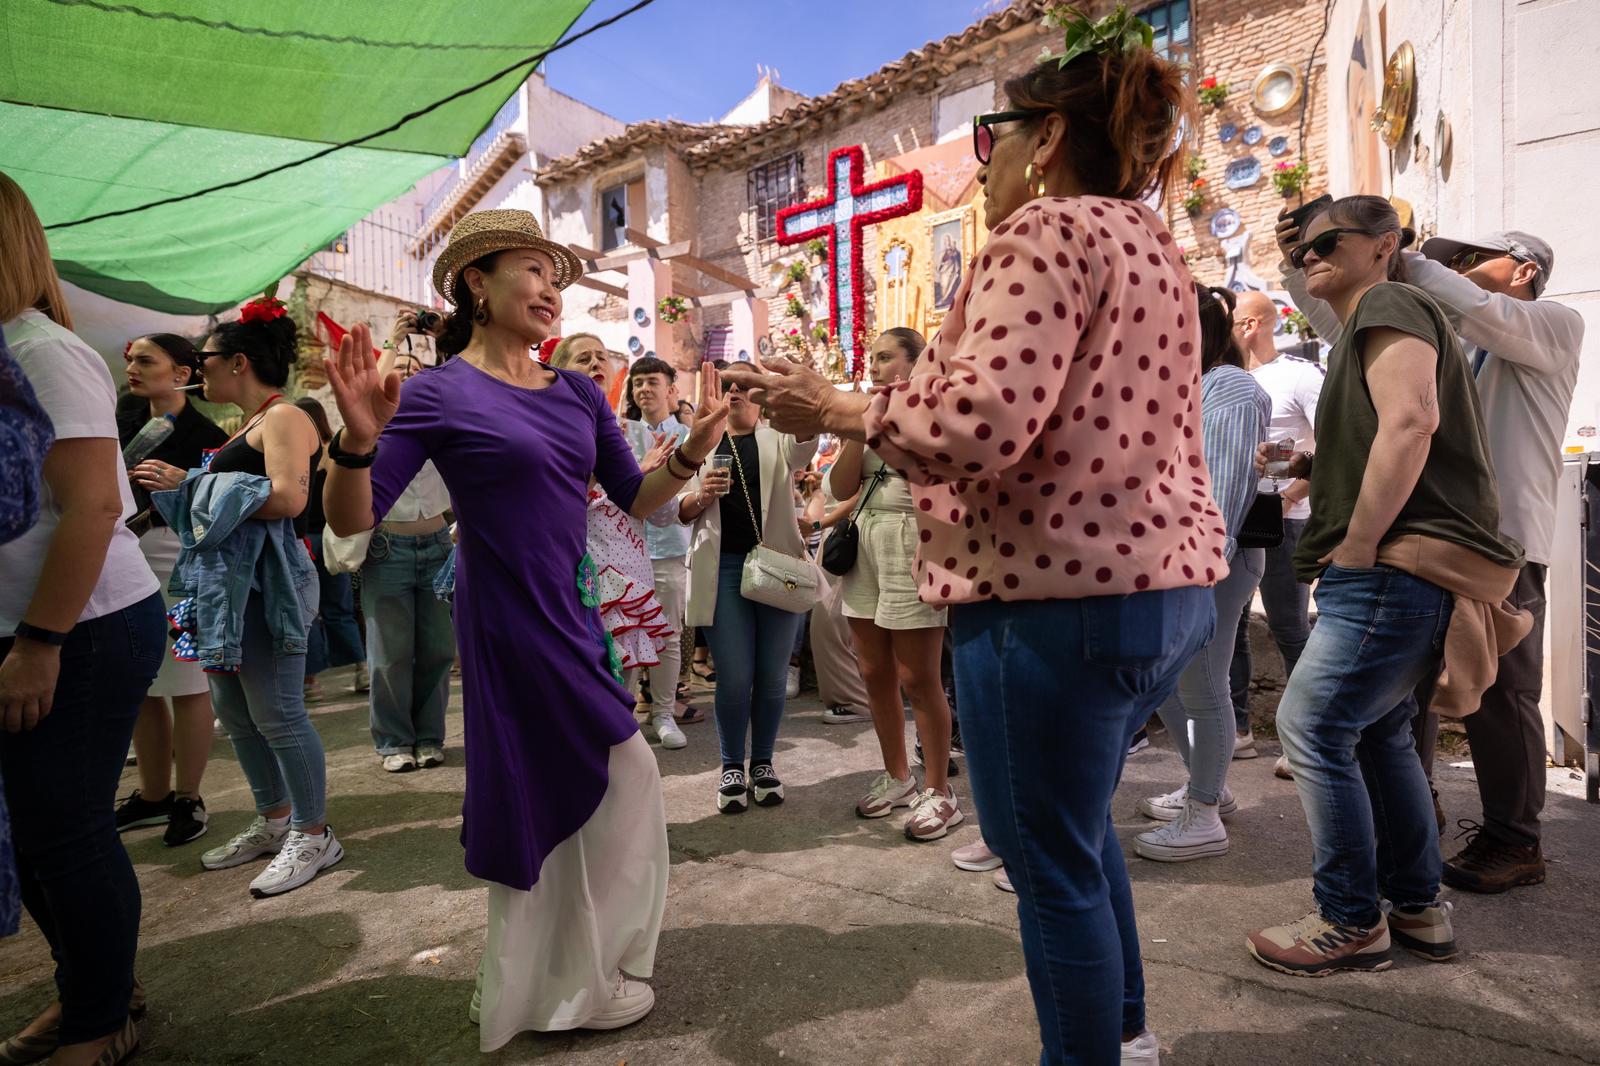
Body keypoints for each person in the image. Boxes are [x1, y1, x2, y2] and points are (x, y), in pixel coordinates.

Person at [719, 12, 1219, 1061]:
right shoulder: (1151, 244)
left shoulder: (1042, 233)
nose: (981, 156)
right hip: (1158, 591)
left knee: (1045, 861)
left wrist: (847, 413)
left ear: (1042, 139)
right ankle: (1124, 1039)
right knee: (1076, 840)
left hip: (1049, 599)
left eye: (995, 129)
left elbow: (983, 423)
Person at [320, 209, 730, 1048]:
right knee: (602, 778)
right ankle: (552, 986)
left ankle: (543, 973)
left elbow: (634, 496)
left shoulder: (578, 391)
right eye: (534, 269)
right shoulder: (436, 391)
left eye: (557, 276)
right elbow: (352, 516)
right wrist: (358, 442)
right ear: (477, 279)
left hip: (573, 612)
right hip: (507, 618)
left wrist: (692, 448)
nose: (551, 288)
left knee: (608, 785)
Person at [1246, 196, 1528, 977]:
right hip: (1398, 564)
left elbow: (1412, 424)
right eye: (1301, 247)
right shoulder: (1373, 320)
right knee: (1376, 734)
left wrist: (1361, 545)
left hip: (1389, 564)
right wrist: (1313, 470)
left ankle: (1348, 920)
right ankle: (1416, 907)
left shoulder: (1392, 301)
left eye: (1325, 241)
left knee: (1310, 727)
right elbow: (1392, 431)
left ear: (1383, 245)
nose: (1308, 256)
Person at [1281, 222, 1582, 890]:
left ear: (1525, 270)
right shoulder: (1448, 337)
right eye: (1451, 262)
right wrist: (1306, 263)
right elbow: (1347, 333)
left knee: (1503, 697)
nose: (1457, 271)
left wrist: (1390, 253)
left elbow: (1479, 311)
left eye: (1473, 260)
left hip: (1501, 546)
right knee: (1402, 697)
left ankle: (1514, 839)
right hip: (1430, 541)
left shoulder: (1553, 327)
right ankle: (1420, 812)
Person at [0, 170, 163, 1066]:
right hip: (35, 631)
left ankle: (102, 1019)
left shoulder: (39, 349)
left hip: (82, 628)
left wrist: (38, 644)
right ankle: (94, 990)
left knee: (63, 827)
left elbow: (96, 507)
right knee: (29, 830)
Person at [170, 298, 336, 898]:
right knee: (239, 717)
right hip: (224, 587)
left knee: (278, 714)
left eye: (203, 359)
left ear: (238, 361)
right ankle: (273, 821)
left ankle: (313, 833)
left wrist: (193, 487)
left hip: (267, 583)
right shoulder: (246, 424)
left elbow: (291, 499)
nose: (197, 370)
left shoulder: (285, 417)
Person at [1134, 287, 1269, 862]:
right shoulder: (1191, 386)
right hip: (1187, 558)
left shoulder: (1231, 388)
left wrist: (1200, 564)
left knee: (1200, 682)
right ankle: (1207, 789)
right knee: (1169, 681)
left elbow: (1225, 485)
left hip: (1212, 559)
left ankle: (1205, 814)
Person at [829, 328, 962, 841]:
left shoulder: (932, 413)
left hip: (913, 541)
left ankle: (939, 791)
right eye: (873, 357)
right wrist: (851, 431)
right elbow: (842, 488)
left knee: (918, 676)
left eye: (886, 358)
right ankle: (898, 776)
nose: (875, 366)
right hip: (865, 541)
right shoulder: (862, 416)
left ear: (914, 364)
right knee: (873, 670)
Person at [678, 360, 817, 814]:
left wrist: (806, 392)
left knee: (772, 677)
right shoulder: (699, 439)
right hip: (723, 569)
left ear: (759, 394)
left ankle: (763, 762)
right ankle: (730, 766)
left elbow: (807, 446)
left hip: (777, 567)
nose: (735, 391)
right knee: (734, 677)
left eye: (745, 385)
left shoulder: (778, 438)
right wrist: (701, 497)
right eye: (727, 384)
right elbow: (674, 508)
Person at [112, 334, 228, 847]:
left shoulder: (204, 433)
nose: (133, 368)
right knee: (140, 681)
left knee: (186, 680)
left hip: (175, 558)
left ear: (182, 374)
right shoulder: (124, 418)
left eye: (145, 360)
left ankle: (189, 797)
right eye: (131, 359)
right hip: (120, 555)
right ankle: (153, 794)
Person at [548, 336, 679, 745]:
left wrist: (672, 481)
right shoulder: (548, 425)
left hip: (629, 562)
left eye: (602, 357)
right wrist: (632, 473)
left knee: (629, 653)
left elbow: (656, 511)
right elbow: (555, 497)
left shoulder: (635, 431)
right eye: (583, 358)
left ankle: (649, 723)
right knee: (582, 664)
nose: (595, 364)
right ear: (558, 367)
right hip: (575, 563)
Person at [1225, 289, 1322, 763]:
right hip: (1235, 516)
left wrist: (1289, 497)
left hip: (1286, 519)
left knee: (1288, 626)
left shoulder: (1299, 375)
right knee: (1232, 625)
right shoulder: (1227, 379)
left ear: (1249, 325)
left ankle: (1302, 739)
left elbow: (1330, 445)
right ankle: (1238, 728)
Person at [357, 315, 457, 773]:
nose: (413, 373)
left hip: (439, 542)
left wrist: (437, 342)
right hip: (387, 547)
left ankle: (430, 736)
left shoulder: (443, 409)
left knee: (438, 648)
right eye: (404, 366)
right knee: (390, 653)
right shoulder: (377, 421)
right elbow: (370, 398)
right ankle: (394, 739)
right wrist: (393, 343)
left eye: (422, 365)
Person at [626, 355, 702, 735]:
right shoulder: (621, 434)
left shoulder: (689, 439)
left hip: (672, 547)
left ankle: (664, 714)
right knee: (626, 634)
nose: (643, 389)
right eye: (637, 383)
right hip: (624, 551)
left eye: (652, 382)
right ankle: (623, 719)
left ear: (671, 390)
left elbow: (696, 493)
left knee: (668, 635)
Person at [295, 396, 366, 699]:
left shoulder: (299, 450)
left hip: (303, 539)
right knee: (340, 608)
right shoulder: (334, 447)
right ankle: (362, 668)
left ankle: (310, 681)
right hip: (332, 535)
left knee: (306, 610)